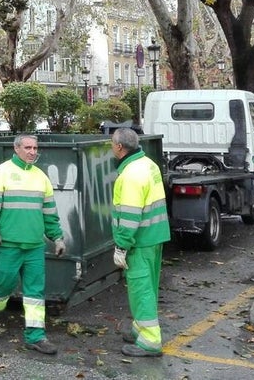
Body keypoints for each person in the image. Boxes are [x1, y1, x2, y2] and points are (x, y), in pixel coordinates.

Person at [0, 134, 66, 355]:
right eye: (27, 147)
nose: (32, 151)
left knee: (35, 292)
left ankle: (35, 337)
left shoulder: (41, 177)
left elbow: (49, 214)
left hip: (35, 246)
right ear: (16, 149)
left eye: (35, 147)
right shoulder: (2, 172)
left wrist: (57, 237)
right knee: (3, 285)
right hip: (8, 244)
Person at [110, 126, 170, 358]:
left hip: (139, 240)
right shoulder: (148, 164)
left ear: (119, 147)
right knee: (149, 286)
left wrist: (121, 246)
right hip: (154, 236)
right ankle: (139, 327)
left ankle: (150, 340)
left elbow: (129, 215)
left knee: (140, 288)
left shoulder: (130, 175)